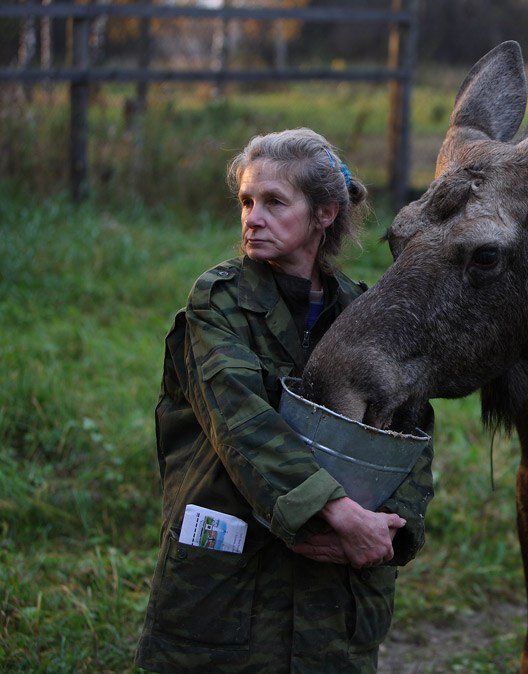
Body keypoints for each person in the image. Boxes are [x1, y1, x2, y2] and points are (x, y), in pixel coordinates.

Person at [135, 128, 435, 673]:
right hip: (230, 596)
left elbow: (412, 435)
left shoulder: (366, 315)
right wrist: (338, 512)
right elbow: (241, 422)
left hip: (333, 604)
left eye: (274, 202)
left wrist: (387, 528)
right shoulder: (219, 304)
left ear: (324, 212)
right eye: (247, 201)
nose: (252, 217)